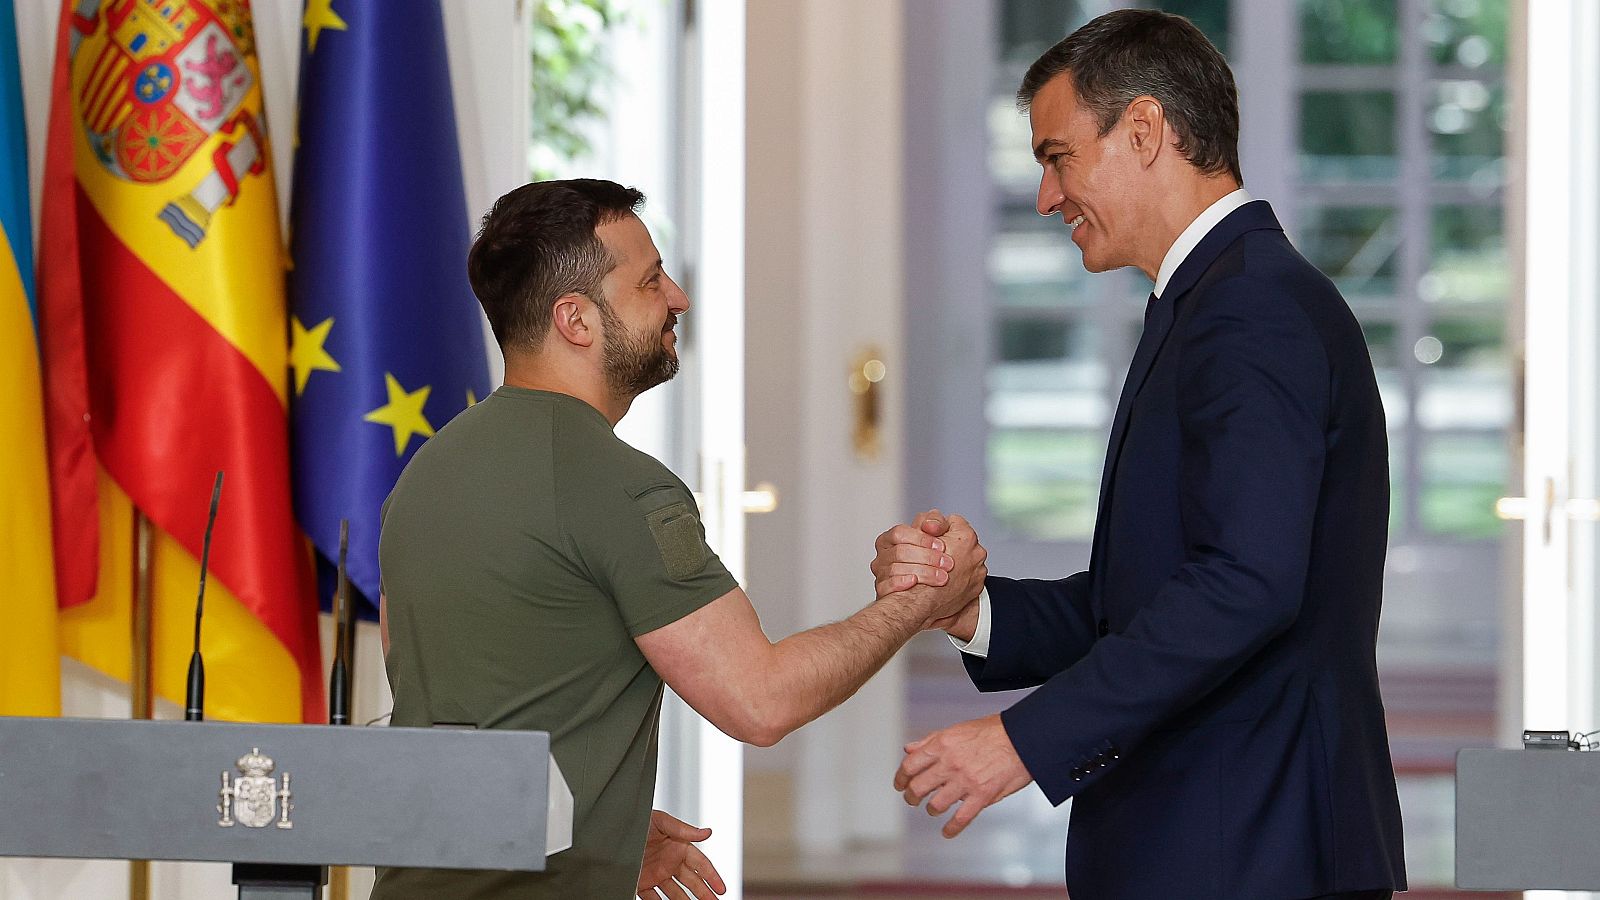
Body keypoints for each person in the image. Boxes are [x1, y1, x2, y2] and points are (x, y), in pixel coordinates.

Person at [872, 10, 1406, 899]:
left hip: (1248, 846)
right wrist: (968, 609)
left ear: (1147, 130)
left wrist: (1021, 741)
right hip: (1221, 840)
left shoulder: (1249, 311)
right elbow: (1153, 596)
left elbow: (1244, 586)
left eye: (1056, 156)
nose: (1047, 196)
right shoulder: (1212, 299)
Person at [372, 179, 984, 900]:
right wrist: (918, 602)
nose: (678, 299)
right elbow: (760, 702)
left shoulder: (427, 473)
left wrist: (600, 826)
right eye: (650, 281)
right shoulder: (621, 485)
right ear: (576, 321)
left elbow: (464, 694)